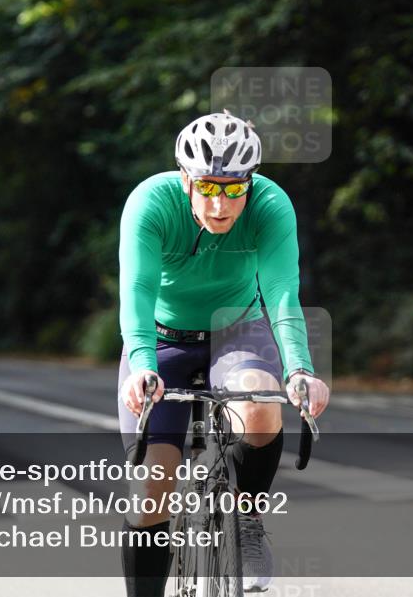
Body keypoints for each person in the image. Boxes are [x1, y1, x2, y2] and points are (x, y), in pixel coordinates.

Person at [118, 111, 330, 596]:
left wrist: (300, 368)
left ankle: (248, 521)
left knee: (261, 404)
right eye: (209, 188)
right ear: (186, 179)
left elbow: (281, 290)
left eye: (234, 189)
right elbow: (138, 289)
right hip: (162, 338)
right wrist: (143, 368)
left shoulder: (271, 204)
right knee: (152, 489)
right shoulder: (150, 202)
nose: (220, 204)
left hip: (238, 330)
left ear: (250, 183)